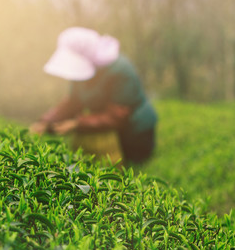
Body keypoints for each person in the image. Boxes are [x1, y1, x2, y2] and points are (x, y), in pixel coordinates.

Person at [30, 26, 157, 165]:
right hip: (106, 130)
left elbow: (118, 115)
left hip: (135, 131)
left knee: (132, 168)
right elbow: (73, 102)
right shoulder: (79, 72)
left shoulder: (120, 70)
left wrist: (77, 123)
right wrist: (46, 121)